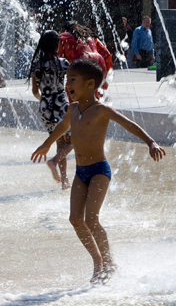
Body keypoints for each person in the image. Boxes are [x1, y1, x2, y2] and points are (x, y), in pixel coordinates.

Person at [31, 59, 166, 284]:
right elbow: (62, 127)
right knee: (75, 219)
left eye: (72, 80)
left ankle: (108, 261)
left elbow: (129, 124)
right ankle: (98, 261)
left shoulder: (102, 110)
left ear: (90, 84)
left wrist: (150, 142)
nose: (67, 84)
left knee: (91, 219)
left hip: (99, 171)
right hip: (80, 172)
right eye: (67, 80)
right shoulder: (72, 109)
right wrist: (47, 145)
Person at [29, 30, 73, 189]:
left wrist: (45, 100)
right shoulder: (63, 63)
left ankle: (64, 180)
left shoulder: (36, 65)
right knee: (73, 141)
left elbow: (35, 91)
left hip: (45, 107)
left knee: (60, 141)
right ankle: (53, 162)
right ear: (56, 45)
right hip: (61, 104)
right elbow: (72, 84)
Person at [58, 21, 113, 100]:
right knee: (93, 97)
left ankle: (75, 112)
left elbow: (58, 58)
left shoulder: (63, 36)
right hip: (99, 61)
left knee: (72, 92)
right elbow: (107, 55)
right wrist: (104, 78)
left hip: (81, 62)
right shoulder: (90, 35)